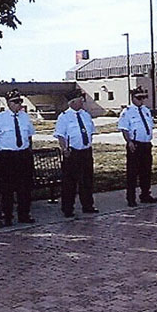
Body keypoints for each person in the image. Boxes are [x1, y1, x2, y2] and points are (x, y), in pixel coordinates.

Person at [0, 89, 35, 227]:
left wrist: (29, 150)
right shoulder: (0, 118)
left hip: (23, 155)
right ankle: (7, 216)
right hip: (7, 156)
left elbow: (29, 135)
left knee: (25, 187)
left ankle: (24, 214)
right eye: (15, 102)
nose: (19, 104)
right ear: (8, 103)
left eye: (20, 101)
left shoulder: (25, 117)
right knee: (6, 189)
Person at [54, 89, 98, 217]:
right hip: (72, 153)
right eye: (80, 99)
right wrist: (64, 149)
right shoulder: (64, 117)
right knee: (70, 183)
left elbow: (90, 132)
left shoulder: (86, 115)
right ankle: (68, 208)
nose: (82, 101)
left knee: (87, 181)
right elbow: (61, 136)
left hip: (86, 152)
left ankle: (88, 205)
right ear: (72, 102)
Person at [118, 86, 157, 207]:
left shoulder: (146, 110)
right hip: (135, 145)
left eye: (143, 98)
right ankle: (131, 198)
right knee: (132, 172)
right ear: (132, 98)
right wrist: (129, 141)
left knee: (146, 171)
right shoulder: (127, 112)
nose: (141, 100)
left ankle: (145, 194)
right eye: (139, 98)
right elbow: (124, 129)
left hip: (146, 144)